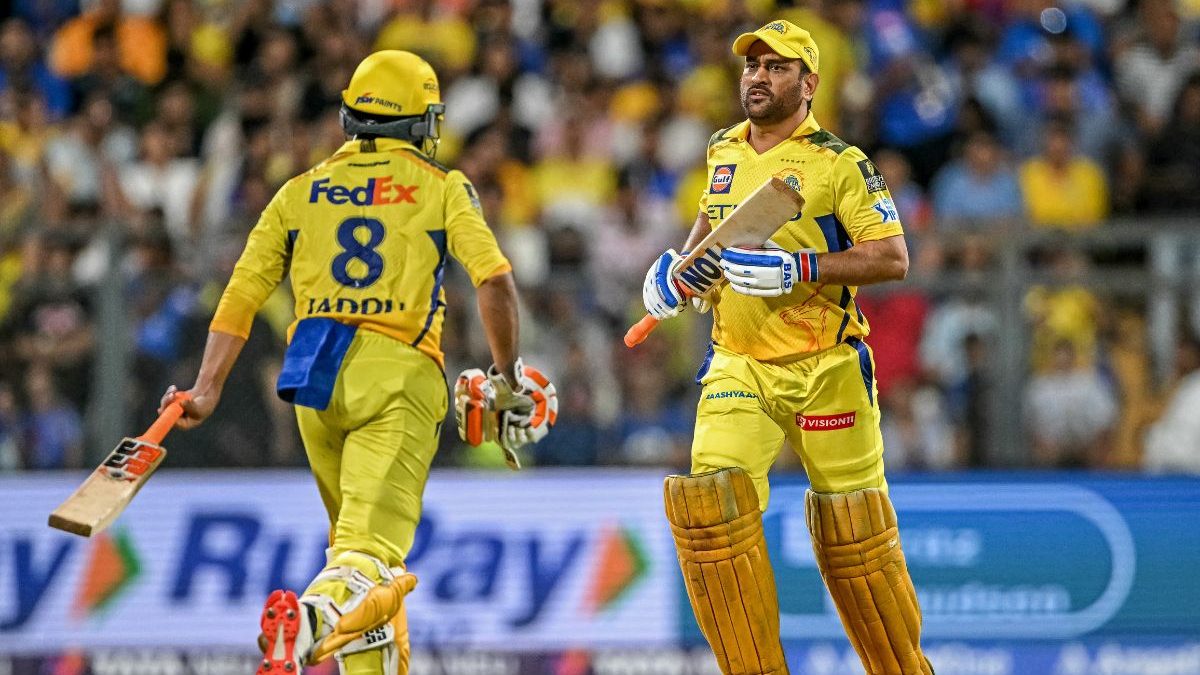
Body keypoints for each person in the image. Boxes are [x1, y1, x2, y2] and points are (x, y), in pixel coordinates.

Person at [158, 51, 555, 675]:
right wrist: (505, 378)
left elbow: (241, 293)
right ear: (422, 124)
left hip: (312, 376)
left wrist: (207, 387)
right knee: (368, 555)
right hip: (398, 375)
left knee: (361, 560)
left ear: (351, 117)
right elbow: (496, 282)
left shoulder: (297, 191)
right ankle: (308, 625)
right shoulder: (444, 186)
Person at [642, 20, 932, 675]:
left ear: (810, 82)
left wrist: (801, 268)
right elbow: (709, 232)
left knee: (855, 536)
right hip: (738, 362)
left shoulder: (840, 162)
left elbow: (892, 258)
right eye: (753, 66)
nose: (758, 77)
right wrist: (675, 273)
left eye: (777, 67)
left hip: (826, 368)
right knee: (708, 512)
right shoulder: (722, 149)